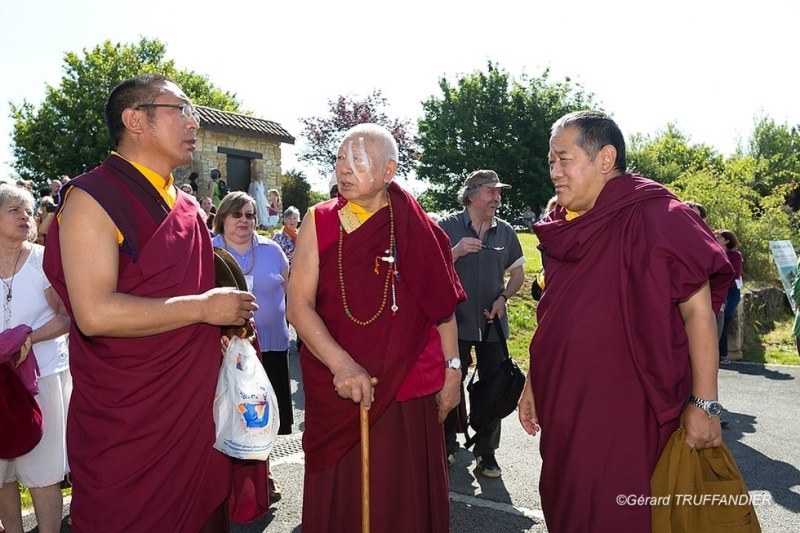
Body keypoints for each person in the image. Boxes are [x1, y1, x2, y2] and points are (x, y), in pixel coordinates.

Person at [42, 73, 258, 532]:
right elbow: (94, 313)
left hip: (192, 411)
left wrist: (223, 328)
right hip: (129, 423)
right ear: (135, 119)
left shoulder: (185, 207)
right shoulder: (91, 198)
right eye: (181, 110)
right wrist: (204, 308)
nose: (193, 123)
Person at [518, 110, 734, 532]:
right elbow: (555, 315)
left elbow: (698, 313)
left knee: (623, 514)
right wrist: (533, 381)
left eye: (564, 160)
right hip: (565, 406)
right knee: (569, 508)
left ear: (605, 158)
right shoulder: (564, 227)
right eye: (550, 162)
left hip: (629, 409)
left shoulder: (658, 214)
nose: (554, 173)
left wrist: (705, 404)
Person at [287, 123, 465, 532]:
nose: (344, 169)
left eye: (358, 160)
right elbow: (298, 306)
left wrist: (453, 369)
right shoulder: (321, 219)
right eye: (339, 159)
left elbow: (442, 308)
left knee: (402, 497)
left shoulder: (419, 227)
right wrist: (341, 364)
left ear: (389, 171)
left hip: (406, 386)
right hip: (340, 386)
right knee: (345, 498)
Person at [438, 169, 526, 477]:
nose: (498, 198)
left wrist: (504, 298)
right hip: (453, 324)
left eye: (499, 193)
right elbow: (429, 271)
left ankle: (486, 452)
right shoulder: (445, 227)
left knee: (494, 387)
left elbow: (518, 275)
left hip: (493, 326)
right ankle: (447, 446)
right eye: (492, 192)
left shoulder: (506, 232)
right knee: (449, 382)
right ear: (472, 194)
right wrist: (456, 252)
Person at [0, 184, 70, 533]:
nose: (25, 216)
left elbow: (66, 316)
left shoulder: (44, 261)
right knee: (2, 476)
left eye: (28, 210)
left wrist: (29, 338)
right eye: (14, 209)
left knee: (43, 474)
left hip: (42, 378)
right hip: (0, 383)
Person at [715, 229, 743, 364]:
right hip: (719, 290)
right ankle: (719, 354)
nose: (716, 238)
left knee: (725, 318)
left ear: (727, 241)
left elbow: (735, 273)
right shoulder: (713, 252)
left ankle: (723, 354)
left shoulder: (735, 256)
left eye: (719, 237)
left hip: (731, 291)